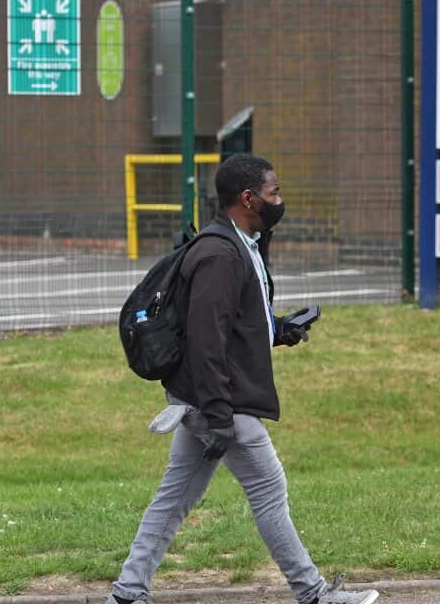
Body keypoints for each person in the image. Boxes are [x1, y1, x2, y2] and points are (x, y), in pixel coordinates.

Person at [106, 154, 378, 604]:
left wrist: (279, 330)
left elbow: (236, 323)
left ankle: (127, 592)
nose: (280, 200)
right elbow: (205, 341)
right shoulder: (217, 255)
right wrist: (217, 414)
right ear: (249, 199)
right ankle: (313, 594)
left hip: (204, 400)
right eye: (274, 192)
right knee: (269, 492)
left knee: (173, 499)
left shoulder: (243, 244)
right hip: (220, 403)